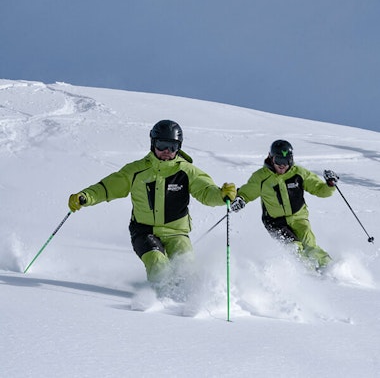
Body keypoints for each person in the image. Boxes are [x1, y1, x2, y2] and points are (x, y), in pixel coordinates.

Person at [68, 119, 236, 283]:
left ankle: (189, 301)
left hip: (176, 233)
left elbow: (206, 191)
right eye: (162, 145)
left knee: (186, 268)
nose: (167, 151)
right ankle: (161, 304)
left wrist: (221, 195)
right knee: (158, 264)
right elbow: (107, 188)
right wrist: (85, 197)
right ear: (153, 143)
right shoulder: (136, 170)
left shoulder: (187, 172)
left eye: (173, 146)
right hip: (144, 232)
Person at [231, 139, 339, 271]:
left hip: (299, 217)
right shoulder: (261, 177)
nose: (283, 165)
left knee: (309, 245)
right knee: (293, 247)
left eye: (286, 161)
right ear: (271, 158)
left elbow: (320, 190)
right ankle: (309, 273)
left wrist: (329, 184)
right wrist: (240, 199)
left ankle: (331, 268)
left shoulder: (299, 173)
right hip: (275, 221)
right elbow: (247, 192)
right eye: (279, 161)